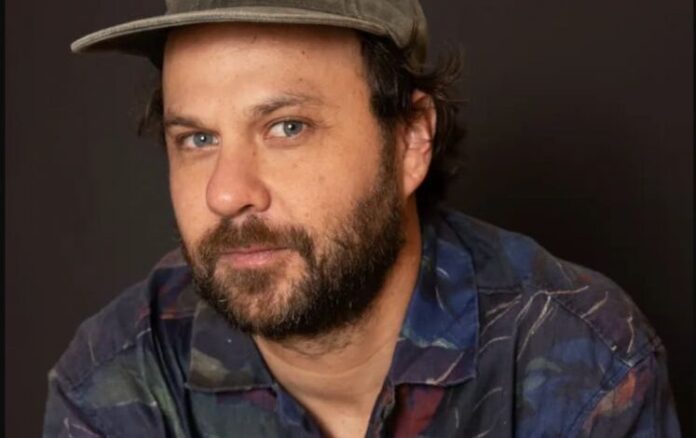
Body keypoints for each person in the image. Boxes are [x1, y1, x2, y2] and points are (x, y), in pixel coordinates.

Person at [44, 1, 681, 436]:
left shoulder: (581, 363)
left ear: (410, 140)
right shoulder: (119, 379)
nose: (227, 193)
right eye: (198, 139)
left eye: (287, 127)